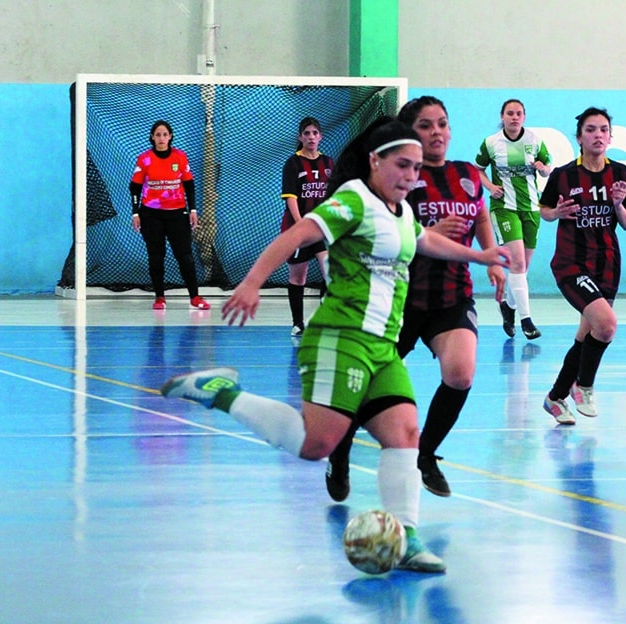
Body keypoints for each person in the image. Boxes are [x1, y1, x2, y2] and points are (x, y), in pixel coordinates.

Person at [160, 117, 509, 574]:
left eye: (417, 168)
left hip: (382, 345)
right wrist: (251, 282)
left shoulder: (403, 211)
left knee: (404, 434)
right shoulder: (353, 201)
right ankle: (221, 393)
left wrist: (479, 256)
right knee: (315, 445)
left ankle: (405, 537)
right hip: (341, 337)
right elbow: (295, 236)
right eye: (402, 165)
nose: (411, 176)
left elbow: (425, 241)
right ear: (374, 161)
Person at [324, 96, 506, 501]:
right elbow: (380, 233)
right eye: (426, 126)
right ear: (409, 135)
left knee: (461, 373)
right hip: (398, 300)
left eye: (442, 124)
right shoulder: (396, 180)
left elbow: (479, 215)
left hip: (451, 296)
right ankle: (340, 447)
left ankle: (426, 454)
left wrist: (490, 258)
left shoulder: (467, 175)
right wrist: (427, 229)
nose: (437, 132)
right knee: (366, 385)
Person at [538, 106, 626, 424]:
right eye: (591, 129)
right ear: (579, 137)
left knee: (587, 335)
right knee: (607, 325)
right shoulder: (564, 175)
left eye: (603, 130)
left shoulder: (621, 174)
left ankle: (555, 398)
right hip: (571, 263)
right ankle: (583, 385)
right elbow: (544, 211)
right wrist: (557, 213)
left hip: (607, 264)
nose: (598, 135)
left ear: (610, 136)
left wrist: (618, 204)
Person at [474, 99, 551, 340]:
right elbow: (477, 169)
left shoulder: (535, 140)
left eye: (519, 113)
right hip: (504, 208)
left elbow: (548, 167)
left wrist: (542, 167)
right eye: (510, 113)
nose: (514, 117)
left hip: (530, 208)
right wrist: (489, 186)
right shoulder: (492, 143)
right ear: (503, 116)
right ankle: (527, 320)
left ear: (524, 117)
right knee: (517, 262)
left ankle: (509, 305)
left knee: (522, 267)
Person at [130, 120, 210, 310]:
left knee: (185, 256)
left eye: (165, 134)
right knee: (156, 256)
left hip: (177, 214)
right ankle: (159, 297)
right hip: (151, 215)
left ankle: (195, 297)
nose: (161, 138)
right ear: (152, 137)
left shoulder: (180, 157)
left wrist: (193, 210)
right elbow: (135, 187)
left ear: (170, 137)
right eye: (158, 135)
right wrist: (135, 213)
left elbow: (189, 184)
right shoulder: (144, 159)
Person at [280, 116, 334, 337]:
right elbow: (291, 197)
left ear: (320, 136)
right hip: (297, 229)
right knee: (298, 278)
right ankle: (298, 323)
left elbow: (333, 195)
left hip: (320, 229)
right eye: (307, 133)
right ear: (300, 137)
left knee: (330, 272)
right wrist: (301, 224)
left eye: (314, 133)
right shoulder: (292, 163)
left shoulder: (329, 163)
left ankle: (324, 320)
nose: (311, 137)